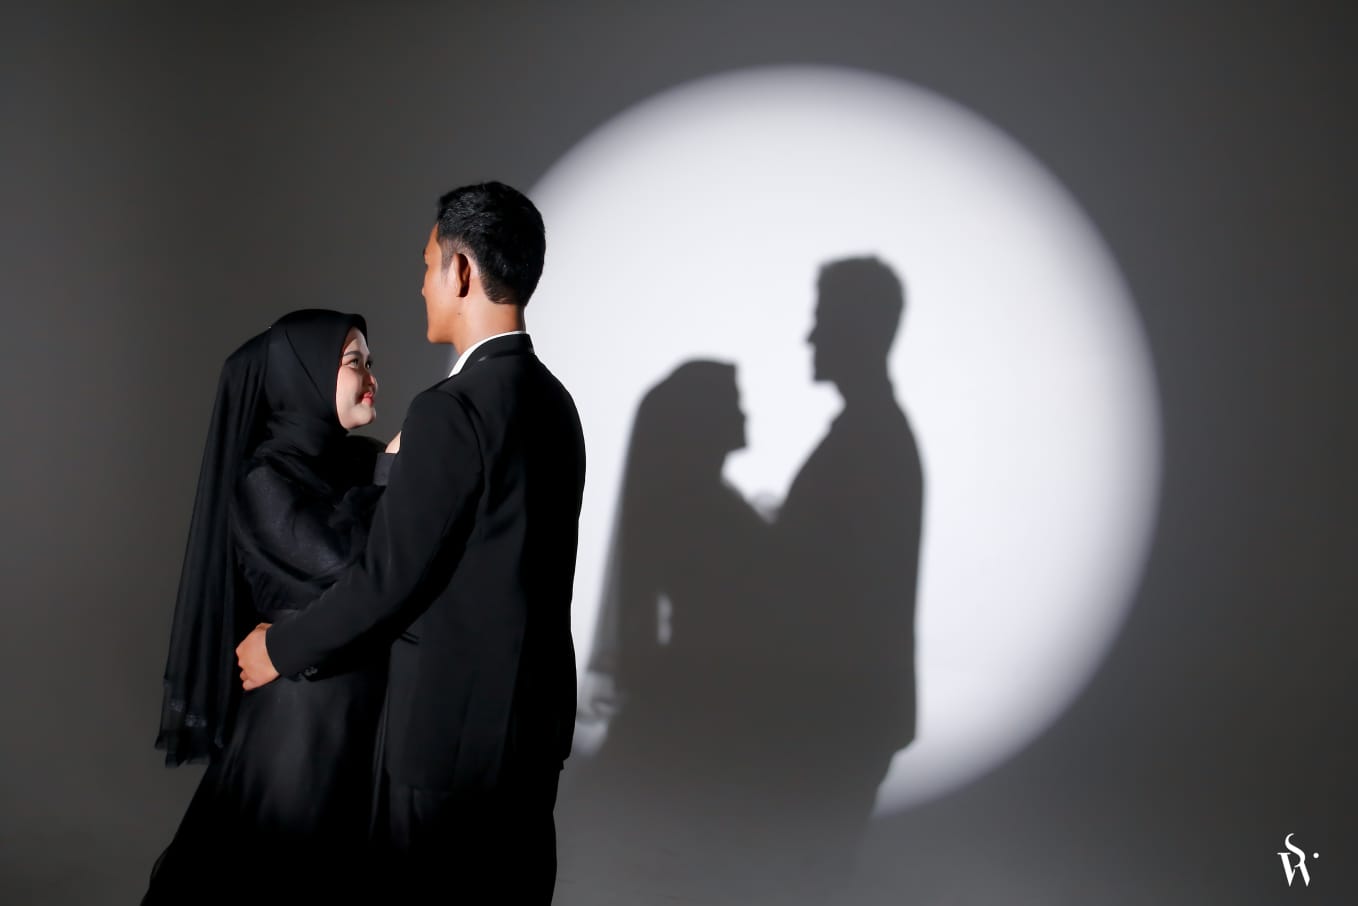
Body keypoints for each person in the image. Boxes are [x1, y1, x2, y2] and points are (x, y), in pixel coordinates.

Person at [237, 181, 587, 904]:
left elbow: (386, 582)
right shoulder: (558, 403)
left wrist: (280, 649)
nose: (422, 285)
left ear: (460, 272)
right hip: (535, 733)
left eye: (427, 266)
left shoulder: (449, 412)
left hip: (446, 743)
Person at [144, 309, 394, 904]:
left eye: (370, 362)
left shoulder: (361, 461)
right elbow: (349, 565)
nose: (371, 378)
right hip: (298, 727)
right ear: (302, 376)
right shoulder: (265, 479)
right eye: (353, 362)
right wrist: (392, 477)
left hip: (361, 722)